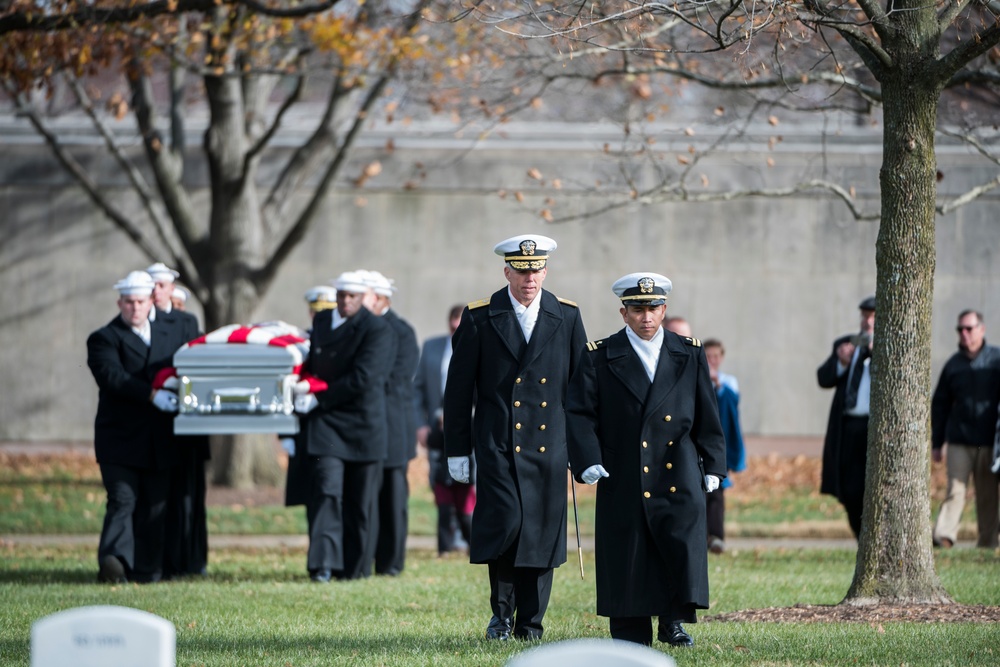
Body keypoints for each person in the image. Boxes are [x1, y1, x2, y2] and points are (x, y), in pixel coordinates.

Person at [566, 272, 726, 647]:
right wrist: (587, 459)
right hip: (624, 471)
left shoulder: (688, 352)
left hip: (679, 468)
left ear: (664, 309)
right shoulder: (600, 356)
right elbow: (579, 414)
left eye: (654, 308)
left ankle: (673, 621)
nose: (647, 316)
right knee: (629, 554)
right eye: (638, 309)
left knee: (676, 545)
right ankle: (629, 628)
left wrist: (714, 464)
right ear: (624, 313)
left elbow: (707, 414)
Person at [444, 234, 587, 641]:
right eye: (521, 270)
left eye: (536, 269)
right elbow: (458, 390)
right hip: (498, 442)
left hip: (550, 445)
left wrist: (583, 448)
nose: (529, 278)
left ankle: (531, 622)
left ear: (546, 271)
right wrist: (457, 450)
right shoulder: (480, 317)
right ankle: (501, 615)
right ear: (506, 271)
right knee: (504, 524)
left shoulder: (568, 316)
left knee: (541, 532)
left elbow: (580, 390)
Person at [86, 270, 187, 583]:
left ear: (149, 303)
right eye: (128, 302)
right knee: (123, 499)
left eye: (140, 302)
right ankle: (114, 563)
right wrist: (152, 394)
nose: (134, 308)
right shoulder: (104, 338)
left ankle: (148, 569)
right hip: (120, 438)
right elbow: (112, 377)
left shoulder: (168, 335)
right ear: (120, 303)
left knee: (155, 504)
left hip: (159, 438)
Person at [296, 270, 396, 581]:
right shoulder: (322, 321)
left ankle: (355, 570)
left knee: (360, 502)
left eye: (352, 296)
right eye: (341, 295)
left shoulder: (377, 329)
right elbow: (313, 360)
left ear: (363, 296)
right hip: (327, 426)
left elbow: (365, 378)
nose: (346, 301)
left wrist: (319, 397)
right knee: (326, 492)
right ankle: (323, 566)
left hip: (363, 424)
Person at [146, 262, 209, 578]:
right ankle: (156, 564)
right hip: (154, 423)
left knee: (188, 498)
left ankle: (188, 562)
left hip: (185, 424)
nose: (156, 292)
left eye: (161, 285)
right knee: (157, 498)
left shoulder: (186, 322)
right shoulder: (143, 322)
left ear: (171, 288)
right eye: (152, 286)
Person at [364, 270, 420, 576]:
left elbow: (397, 379)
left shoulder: (401, 331)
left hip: (393, 429)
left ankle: (391, 563)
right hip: (370, 429)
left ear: (382, 298)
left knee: (393, 500)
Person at [930, 309, 1000, 548]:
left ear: (981, 329)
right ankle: (944, 537)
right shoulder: (953, 365)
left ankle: (987, 544)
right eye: (960, 329)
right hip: (959, 439)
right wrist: (937, 443)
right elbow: (939, 405)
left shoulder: (996, 360)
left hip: (989, 442)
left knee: (988, 496)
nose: (964, 334)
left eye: (969, 328)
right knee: (955, 490)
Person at [414, 304, 475, 556]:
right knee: (440, 481)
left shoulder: (475, 347)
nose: (454, 326)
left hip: (469, 430)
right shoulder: (431, 346)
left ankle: (467, 538)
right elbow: (417, 389)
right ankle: (446, 542)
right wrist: (420, 425)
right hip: (437, 432)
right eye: (452, 321)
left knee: (467, 483)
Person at [817, 295, 876, 538]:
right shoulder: (847, 344)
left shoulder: (891, 346)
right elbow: (823, 378)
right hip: (848, 427)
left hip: (874, 428)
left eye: (873, 316)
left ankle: (872, 539)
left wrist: (877, 354)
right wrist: (841, 362)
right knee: (849, 490)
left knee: (870, 487)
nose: (868, 321)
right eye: (865, 316)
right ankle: (861, 540)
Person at [283, 285, 338, 509]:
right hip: (303, 428)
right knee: (309, 494)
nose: (318, 316)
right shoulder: (300, 342)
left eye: (324, 311)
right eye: (315, 311)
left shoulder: (340, 340)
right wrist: (285, 432)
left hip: (331, 424)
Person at [703, 338, 747, 554]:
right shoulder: (697, 377)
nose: (712, 360)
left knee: (717, 493)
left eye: (715, 356)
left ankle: (717, 536)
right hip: (699, 444)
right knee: (699, 493)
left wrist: (717, 384)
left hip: (721, 444)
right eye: (708, 356)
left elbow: (731, 403)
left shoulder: (729, 381)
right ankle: (702, 536)